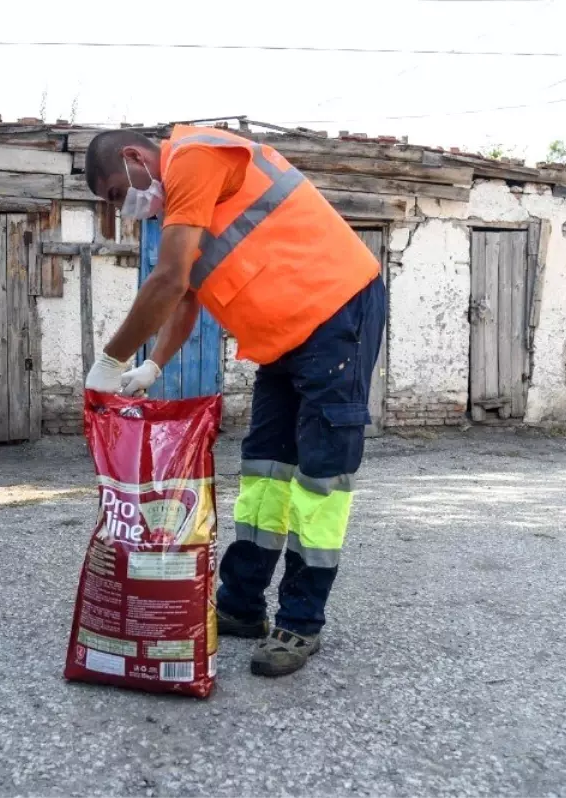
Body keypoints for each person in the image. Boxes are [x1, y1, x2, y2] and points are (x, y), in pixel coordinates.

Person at [82, 124, 386, 677]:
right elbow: (188, 295)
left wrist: (111, 361)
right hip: (286, 339)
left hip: (337, 312)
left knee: (321, 475)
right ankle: (242, 606)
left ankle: (301, 620)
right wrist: (153, 365)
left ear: (134, 158)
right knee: (265, 473)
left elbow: (170, 278)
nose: (122, 209)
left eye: (115, 194)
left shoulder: (194, 159)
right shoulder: (183, 204)